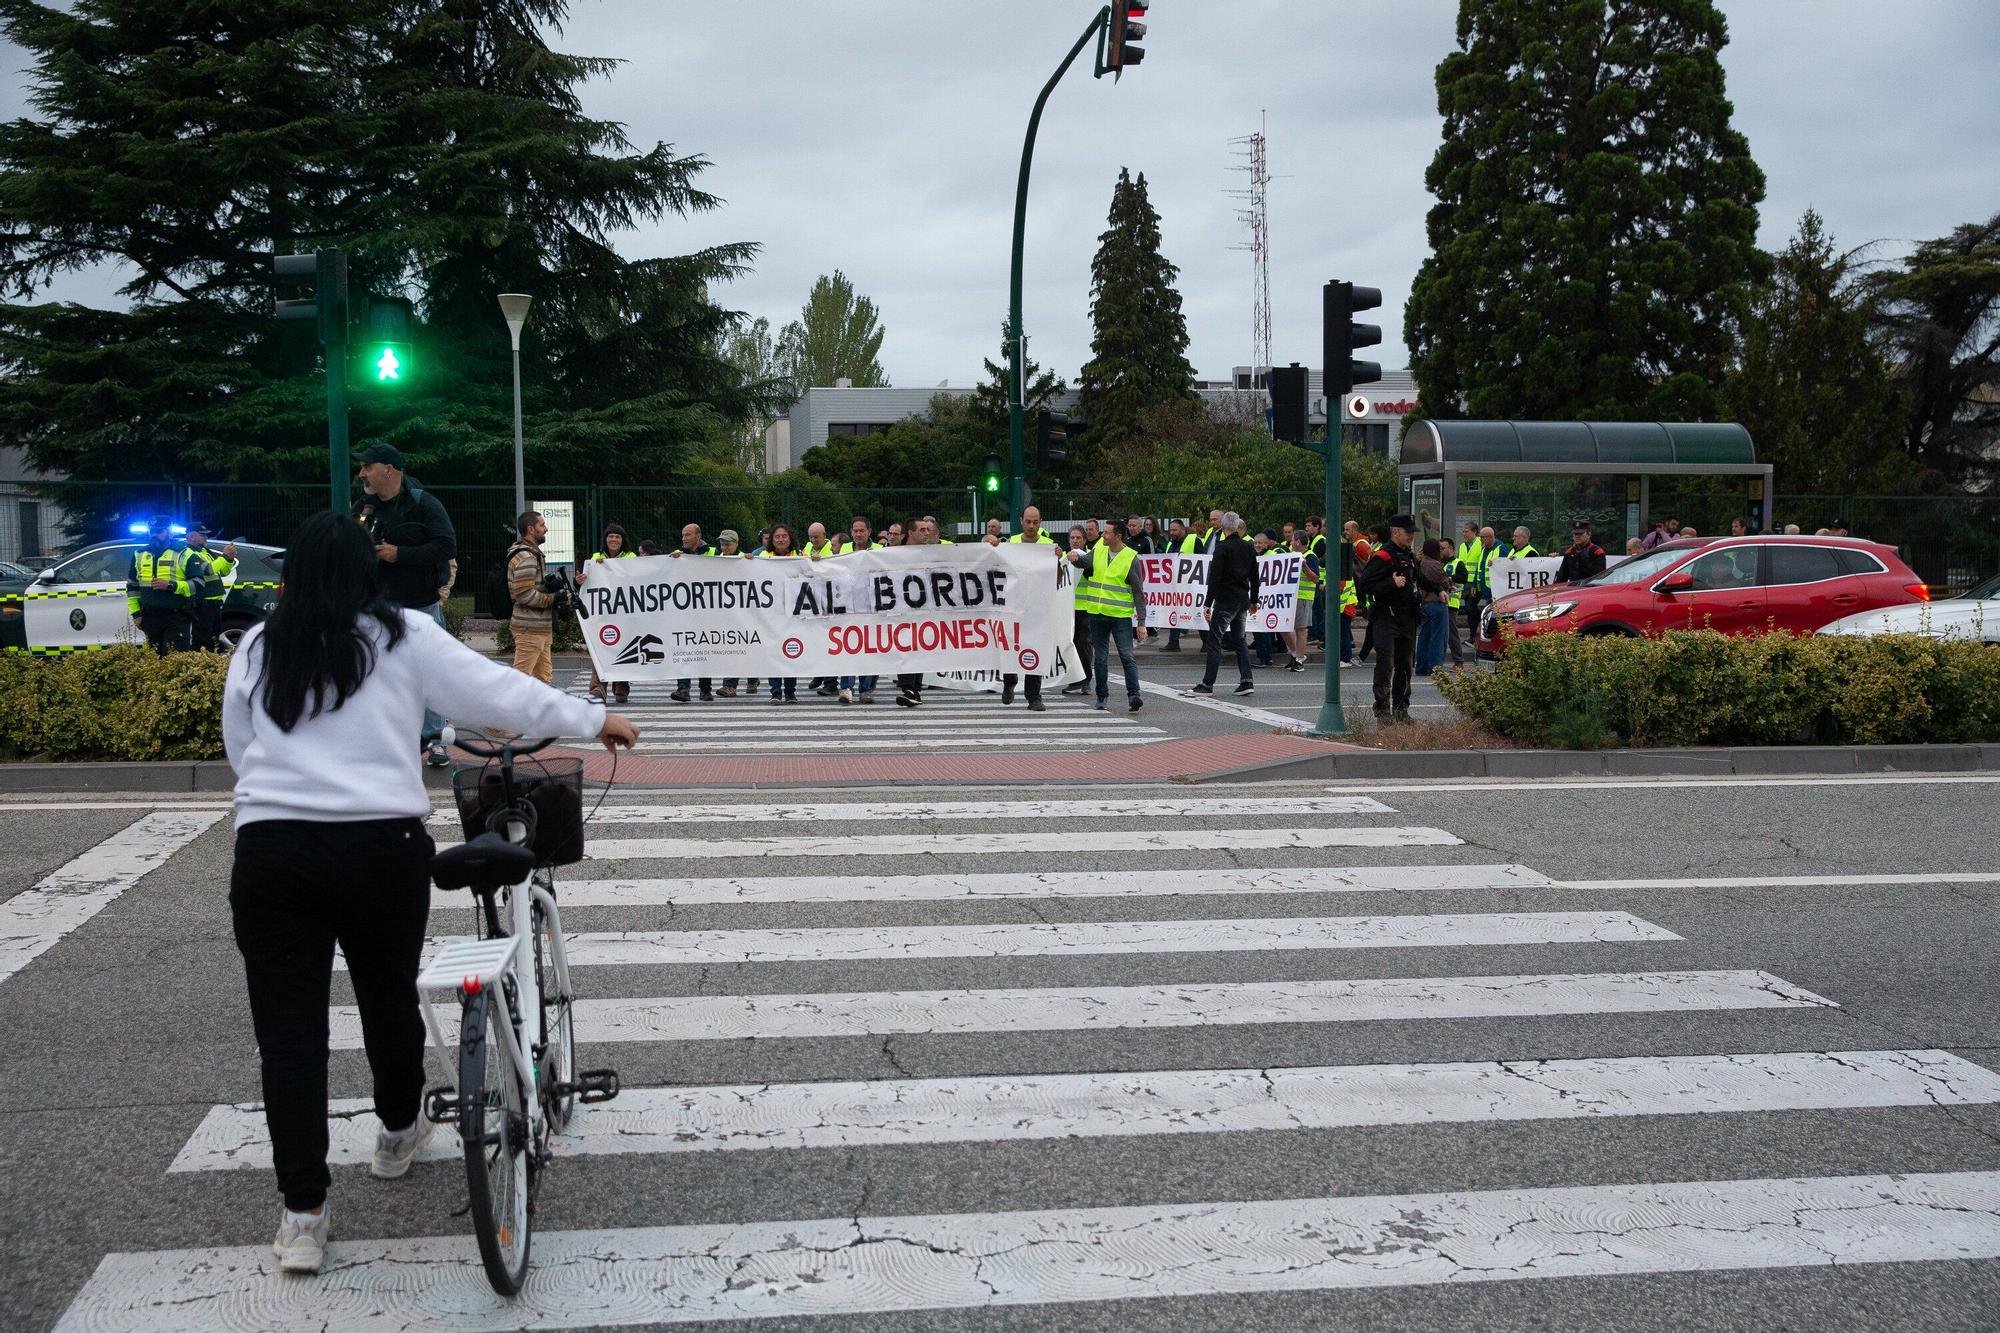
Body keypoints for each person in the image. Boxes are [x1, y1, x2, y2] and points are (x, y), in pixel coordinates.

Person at [222, 510, 638, 1275]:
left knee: (287, 1035)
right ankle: (394, 1131)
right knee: (387, 998)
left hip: (273, 850)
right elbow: (499, 696)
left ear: (292, 576)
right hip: (377, 846)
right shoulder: (402, 635)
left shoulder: (258, 646)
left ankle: (303, 1216)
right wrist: (593, 718)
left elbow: (241, 748)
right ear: (368, 571)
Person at [352, 444, 458, 765]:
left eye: (367, 467)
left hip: (421, 605)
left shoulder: (423, 504)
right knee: (379, 672)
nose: (361, 473)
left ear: (388, 470)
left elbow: (446, 546)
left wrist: (399, 554)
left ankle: (435, 739)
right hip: (378, 605)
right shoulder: (364, 507)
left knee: (430, 672)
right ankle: (390, 738)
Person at [1356, 514, 1427, 722]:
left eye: (1412, 532)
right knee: (1385, 666)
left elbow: (1418, 580)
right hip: (1386, 618)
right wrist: (1391, 583)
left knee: (1406, 666)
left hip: (1408, 618)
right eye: (1408, 532)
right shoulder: (1383, 556)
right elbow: (1365, 585)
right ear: (1395, 532)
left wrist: (1440, 588)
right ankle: (1382, 711)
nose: (1411, 536)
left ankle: (1401, 710)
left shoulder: (1410, 556)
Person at [1079, 516, 1147, 711]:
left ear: (1118, 536)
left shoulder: (1130, 558)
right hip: (1097, 614)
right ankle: (1102, 696)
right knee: (1100, 658)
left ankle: (1134, 695)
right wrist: (1073, 558)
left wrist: (1141, 622)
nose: (1103, 535)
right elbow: (1083, 563)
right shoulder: (1099, 549)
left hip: (1120, 616)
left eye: (1107, 533)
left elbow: (1138, 592)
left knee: (1127, 656)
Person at [1192, 512, 1257, 697]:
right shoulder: (1248, 546)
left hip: (1226, 600)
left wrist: (1207, 603)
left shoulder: (1222, 548)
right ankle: (1247, 681)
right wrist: (1254, 600)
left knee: (1214, 640)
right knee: (1240, 639)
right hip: (1242, 599)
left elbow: (1215, 578)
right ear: (1237, 526)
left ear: (1222, 526)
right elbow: (1255, 576)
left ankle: (1207, 684)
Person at [1001, 505, 1058, 712]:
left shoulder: (1048, 546)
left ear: (1040, 522)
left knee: (1036, 648)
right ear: (1021, 521)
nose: (1031, 526)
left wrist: (1058, 561)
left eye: (1035, 522)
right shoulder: (1012, 543)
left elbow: (1057, 578)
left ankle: (1034, 697)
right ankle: (1009, 681)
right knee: (1010, 647)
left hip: (1038, 608)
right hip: (1013, 605)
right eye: (1028, 522)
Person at [577, 523, 635, 703]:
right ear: (606, 539)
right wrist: (580, 579)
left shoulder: (631, 557)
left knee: (623, 647)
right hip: (602, 612)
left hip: (624, 610)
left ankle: (621, 685)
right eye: (611, 536)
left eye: (617, 536)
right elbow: (585, 583)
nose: (614, 539)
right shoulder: (595, 558)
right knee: (600, 648)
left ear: (623, 540)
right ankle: (598, 688)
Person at [127, 514, 194, 655]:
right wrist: (136, 614)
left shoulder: (184, 553)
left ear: (170, 533)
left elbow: (198, 584)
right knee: (154, 663)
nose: (154, 535)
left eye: (159, 532)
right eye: (152, 531)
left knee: (175, 661)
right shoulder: (139, 554)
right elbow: (132, 587)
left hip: (176, 617)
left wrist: (171, 586)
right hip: (150, 618)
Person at [504, 511, 556, 684]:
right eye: (542, 525)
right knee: (520, 680)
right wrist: (553, 599)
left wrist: (549, 588)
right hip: (529, 628)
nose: (546, 529)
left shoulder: (531, 554)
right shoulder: (527, 557)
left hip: (538, 627)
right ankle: (508, 704)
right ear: (531, 529)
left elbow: (530, 588)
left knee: (543, 680)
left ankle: (540, 704)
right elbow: (523, 594)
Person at [668, 523, 715, 703]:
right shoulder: (677, 554)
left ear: (698, 536)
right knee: (683, 648)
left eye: (688, 535)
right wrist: (671, 560)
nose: (684, 538)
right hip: (685, 610)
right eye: (683, 535)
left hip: (707, 610)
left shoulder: (713, 553)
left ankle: (705, 690)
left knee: (705, 648)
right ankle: (683, 689)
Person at [758, 524, 803, 704]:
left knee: (791, 652)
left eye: (784, 536)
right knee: (774, 653)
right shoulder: (763, 557)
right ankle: (775, 692)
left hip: (793, 613)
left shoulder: (800, 556)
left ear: (790, 538)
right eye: (777, 536)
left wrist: (816, 561)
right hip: (771, 613)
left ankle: (790, 692)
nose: (781, 539)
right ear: (772, 539)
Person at [179, 523, 238, 652]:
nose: (206, 537)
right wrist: (224, 556)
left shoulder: (205, 552)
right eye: (202, 535)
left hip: (214, 604)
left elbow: (224, 572)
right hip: (202, 603)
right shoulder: (188, 553)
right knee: (202, 641)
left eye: (206, 535)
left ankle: (210, 662)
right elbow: (208, 570)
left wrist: (229, 559)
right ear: (191, 536)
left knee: (212, 640)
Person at [1062, 525, 1095, 695]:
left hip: (1085, 608)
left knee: (1084, 645)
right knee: (1070, 646)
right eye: (1072, 538)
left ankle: (1086, 680)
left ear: (1084, 540)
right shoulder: (1063, 557)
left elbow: (1090, 573)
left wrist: (1078, 560)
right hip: (1067, 609)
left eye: (1078, 538)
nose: (1075, 541)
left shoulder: (1090, 557)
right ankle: (1074, 680)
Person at [1415, 538, 1452, 677]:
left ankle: (1422, 667)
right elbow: (1445, 582)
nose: (1441, 551)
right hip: (1437, 603)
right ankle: (1435, 668)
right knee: (1438, 637)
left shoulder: (1422, 563)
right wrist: (1449, 581)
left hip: (1425, 603)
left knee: (1424, 637)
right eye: (1439, 548)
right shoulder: (1436, 564)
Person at [1284, 529, 1316, 671]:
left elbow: (1315, 578)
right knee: (1284, 627)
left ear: (1297, 542)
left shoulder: (1310, 556)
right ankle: (1295, 654)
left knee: (1300, 630)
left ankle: (1299, 660)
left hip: (1303, 597)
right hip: (1291, 597)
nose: (1290, 542)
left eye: (1292, 540)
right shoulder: (1293, 555)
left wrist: (1304, 565)